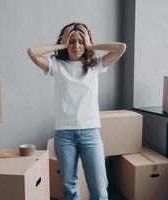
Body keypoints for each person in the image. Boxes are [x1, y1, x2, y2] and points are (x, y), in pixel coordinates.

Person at [27, 22, 126, 200]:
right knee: (70, 190)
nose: (76, 46)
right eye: (72, 42)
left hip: (91, 134)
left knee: (100, 192)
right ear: (65, 43)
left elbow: (121, 48)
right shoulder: (57, 66)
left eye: (81, 41)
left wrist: (91, 45)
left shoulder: (95, 65)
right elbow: (32, 52)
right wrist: (61, 44)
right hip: (64, 136)